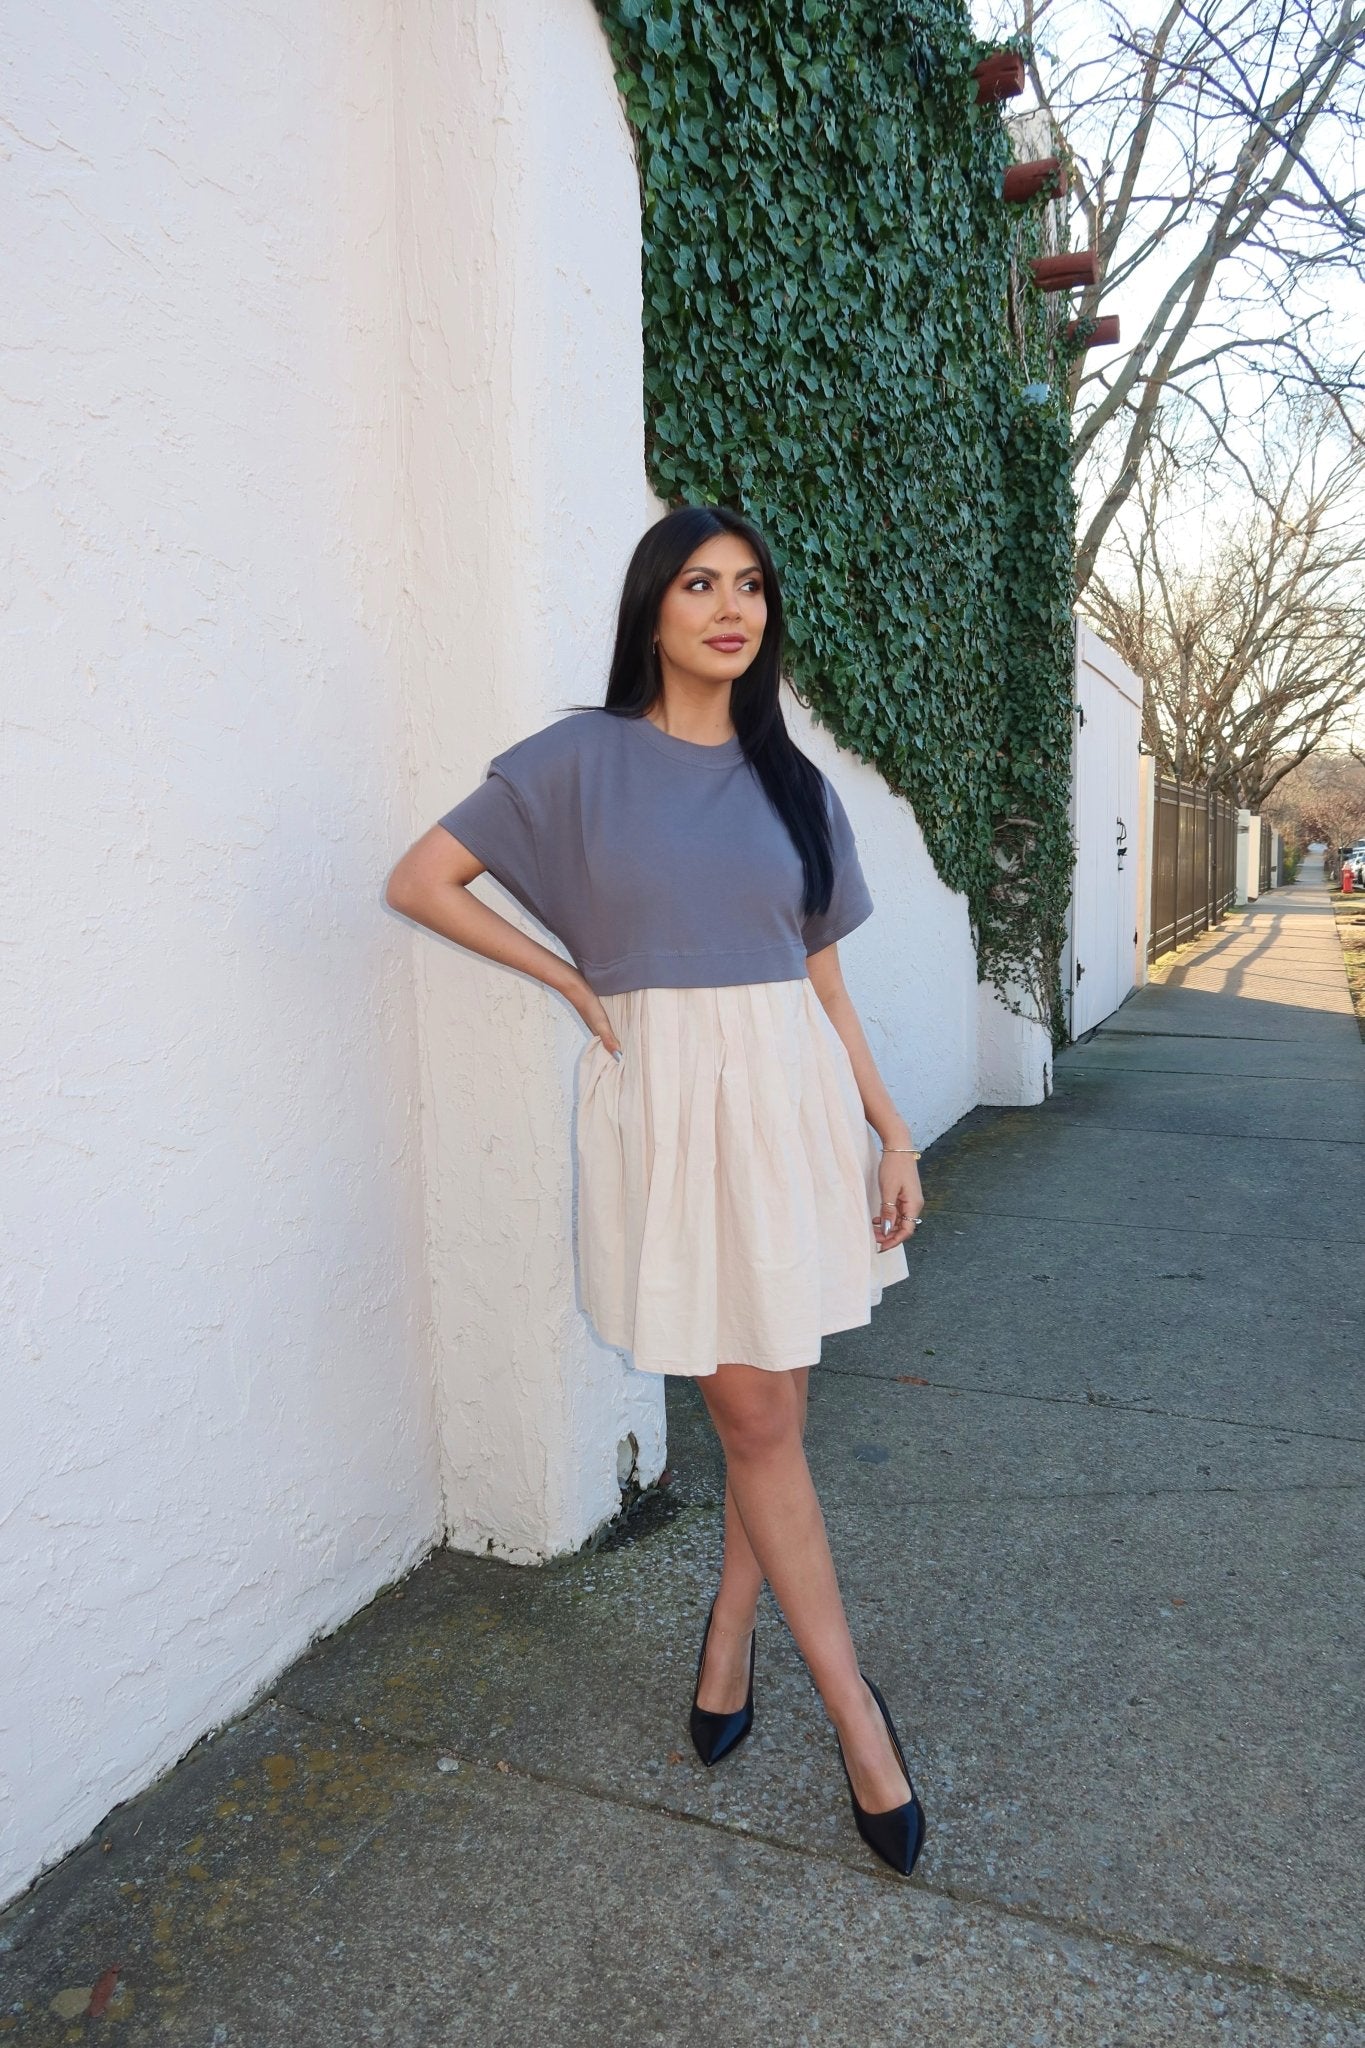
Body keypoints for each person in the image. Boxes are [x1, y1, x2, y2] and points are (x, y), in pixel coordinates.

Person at [385, 503, 927, 1877]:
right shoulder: (578, 761)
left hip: (790, 1102)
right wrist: (572, 981)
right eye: (698, 584)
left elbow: (825, 987)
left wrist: (890, 1131)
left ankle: (732, 1633)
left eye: (749, 586)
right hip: (669, 1110)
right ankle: (858, 1718)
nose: (730, 608)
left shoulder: (794, 784)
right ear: (652, 608)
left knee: (771, 1412)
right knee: (753, 1412)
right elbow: (423, 879)